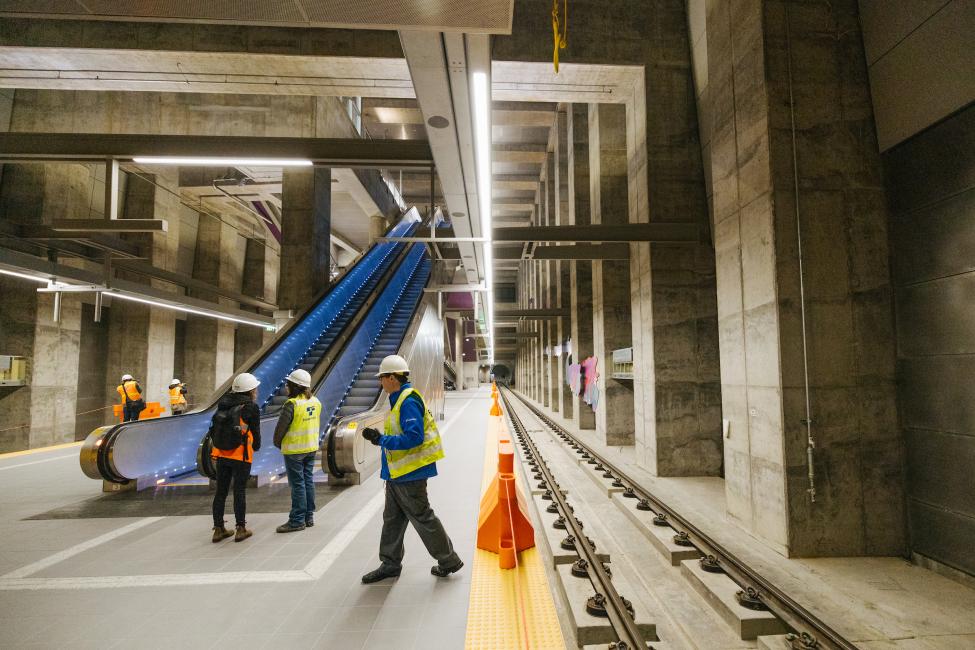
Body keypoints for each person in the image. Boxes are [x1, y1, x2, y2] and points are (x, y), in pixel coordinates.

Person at [360, 355, 463, 583]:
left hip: (410, 474)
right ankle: (390, 563)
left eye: (383, 378)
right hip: (398, 473)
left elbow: (414, 438)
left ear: (393, 378)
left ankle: (449, 560)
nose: (381, 383)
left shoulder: (407, 401)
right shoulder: (398, 399)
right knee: (392, 519)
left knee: (422, 517)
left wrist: (381, 440)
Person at [209, 372, 261, 543]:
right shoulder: (251, 408)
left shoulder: (222, 405)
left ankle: (218, 529)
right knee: (239, 490)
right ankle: (241, 528)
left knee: (221, 492)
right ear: (250, 390)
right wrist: (256, 446)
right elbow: (256, 433)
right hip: (241, 455)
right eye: (255, 388)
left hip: (221, 453)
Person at [273, 369, 321, 533]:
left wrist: (277, 442)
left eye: (288, 384)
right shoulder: (316, 401)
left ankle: (297, 520)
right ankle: (309, 517)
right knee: (308, 481)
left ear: (295, 386)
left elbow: (281, 429)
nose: (286, 386)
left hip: (295, 450)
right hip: (311, 448)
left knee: (298, 484)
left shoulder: (291, 404)